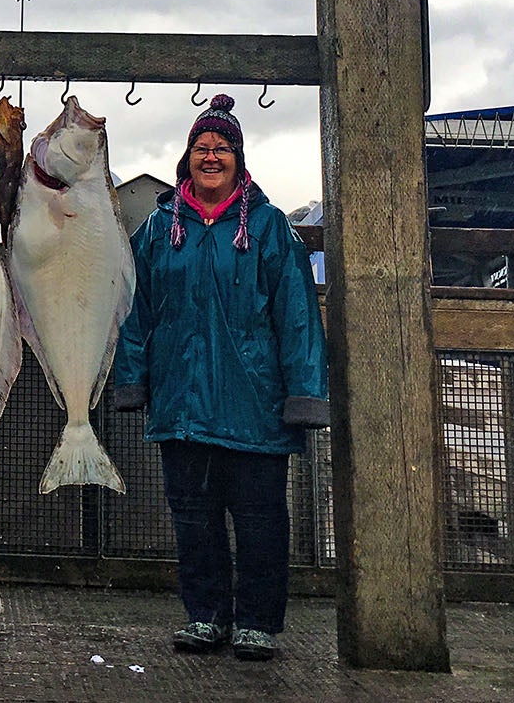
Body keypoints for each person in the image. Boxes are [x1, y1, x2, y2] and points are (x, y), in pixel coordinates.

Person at [109, 94, 328, 661]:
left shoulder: (271, 227)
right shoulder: (158, 229)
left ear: (239, 159)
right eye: (201, 148)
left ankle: (257, 622)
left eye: (222, 148)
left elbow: (297, 314)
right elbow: (134, 308)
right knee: (193, 520)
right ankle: (205, 616)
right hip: (181, 405)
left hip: (254, 405)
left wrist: (305, 393)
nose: (211, 156)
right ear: (187, 158)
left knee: (260, 522)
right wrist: (132, 379)